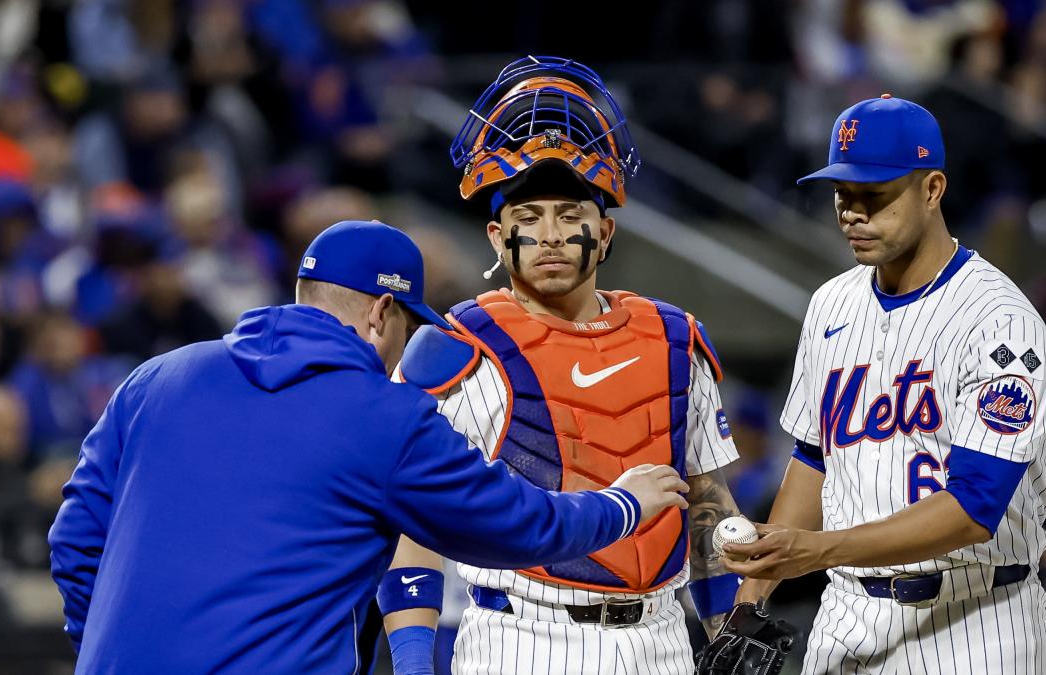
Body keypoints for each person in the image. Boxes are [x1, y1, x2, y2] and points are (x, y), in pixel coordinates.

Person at [48, 219, 689, 674]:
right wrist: (623, 505)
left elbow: (75, 543)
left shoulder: (158, 379)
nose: (401, 353)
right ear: (382, 312)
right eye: (407, 329)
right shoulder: (384, 415)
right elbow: (519, 524)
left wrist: (110, 645)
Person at [387, 56, 745, 674]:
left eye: (570, 216)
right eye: (528, 219)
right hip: (522, 638)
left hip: (662, 639)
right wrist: (414, 660)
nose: (550, 235)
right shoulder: (456, 346)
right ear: (498, 238)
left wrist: (728, 635)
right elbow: (411, 522)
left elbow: (706, 501)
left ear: (604, 233)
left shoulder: (676, 336)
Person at [704, 96, 1046, 674]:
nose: (852, 213)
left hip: (974, 619)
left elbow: (974, 507)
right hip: (848, 611)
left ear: (932, 190)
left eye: (874, 196)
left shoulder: (999, 321)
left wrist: (818, 552)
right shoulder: (832, 302)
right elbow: (813, 458)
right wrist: (749, 604)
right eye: (842, 195)